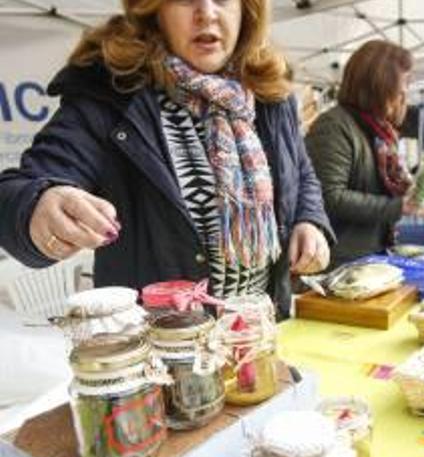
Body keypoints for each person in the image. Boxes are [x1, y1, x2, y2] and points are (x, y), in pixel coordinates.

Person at [0, 0, 334, 318]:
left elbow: (301, 173)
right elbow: (21, 189)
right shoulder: (111, 93)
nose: (206, 12)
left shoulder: (269, 95)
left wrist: (309, 220)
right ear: (155, 10)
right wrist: (39, 205)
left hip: (257, 331)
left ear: (246, 11)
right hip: (159, 350)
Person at [305, 40, 416, 268]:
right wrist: (397, 207)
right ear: (378, 86)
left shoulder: (380, 133)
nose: (404, 98)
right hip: (338, 264)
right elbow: (329, 197)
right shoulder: (334, 127)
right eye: (400, 91)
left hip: (371, 257)